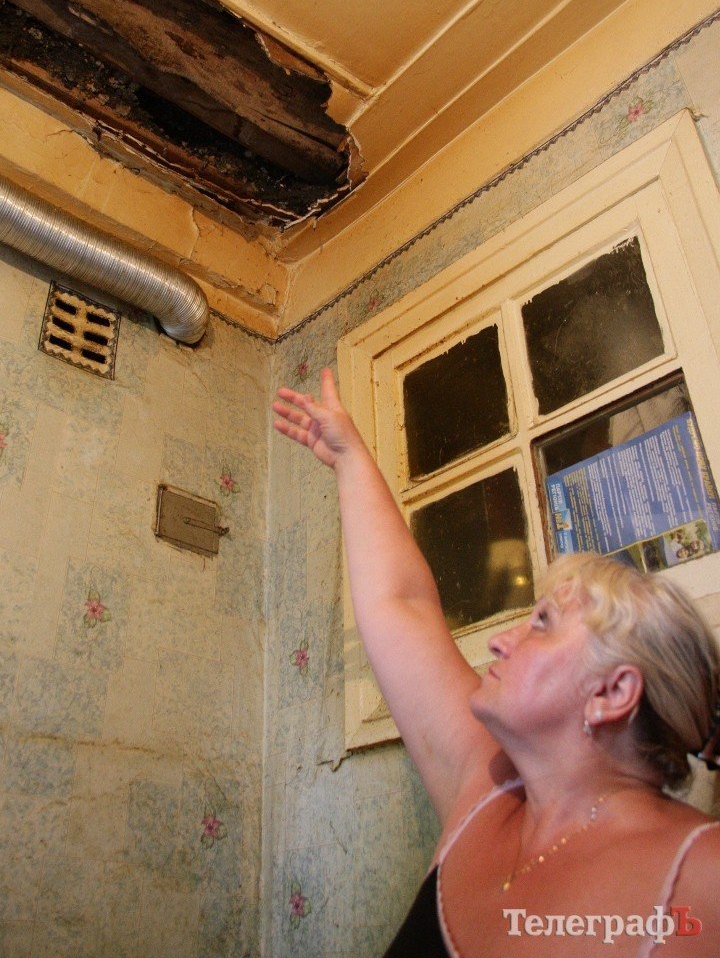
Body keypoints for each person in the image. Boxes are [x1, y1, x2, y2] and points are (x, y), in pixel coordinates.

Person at [273, 369, 720, 957]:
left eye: (543, 623)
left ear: (612, 693)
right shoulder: (484, 786)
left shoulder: (701, 878)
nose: (500, 643)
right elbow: (402, 605)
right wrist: (350, 458)